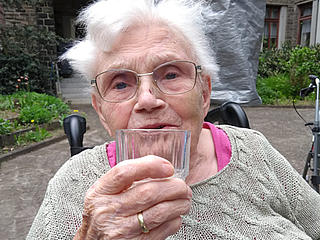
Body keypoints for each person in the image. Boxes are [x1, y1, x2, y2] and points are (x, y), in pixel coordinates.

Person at [27, 0, 320, 239]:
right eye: (120, 83)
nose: (147, 99)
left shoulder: (255, 152)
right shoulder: (70, 187)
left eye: (170, 74)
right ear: (101, 109)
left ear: (204, 93)